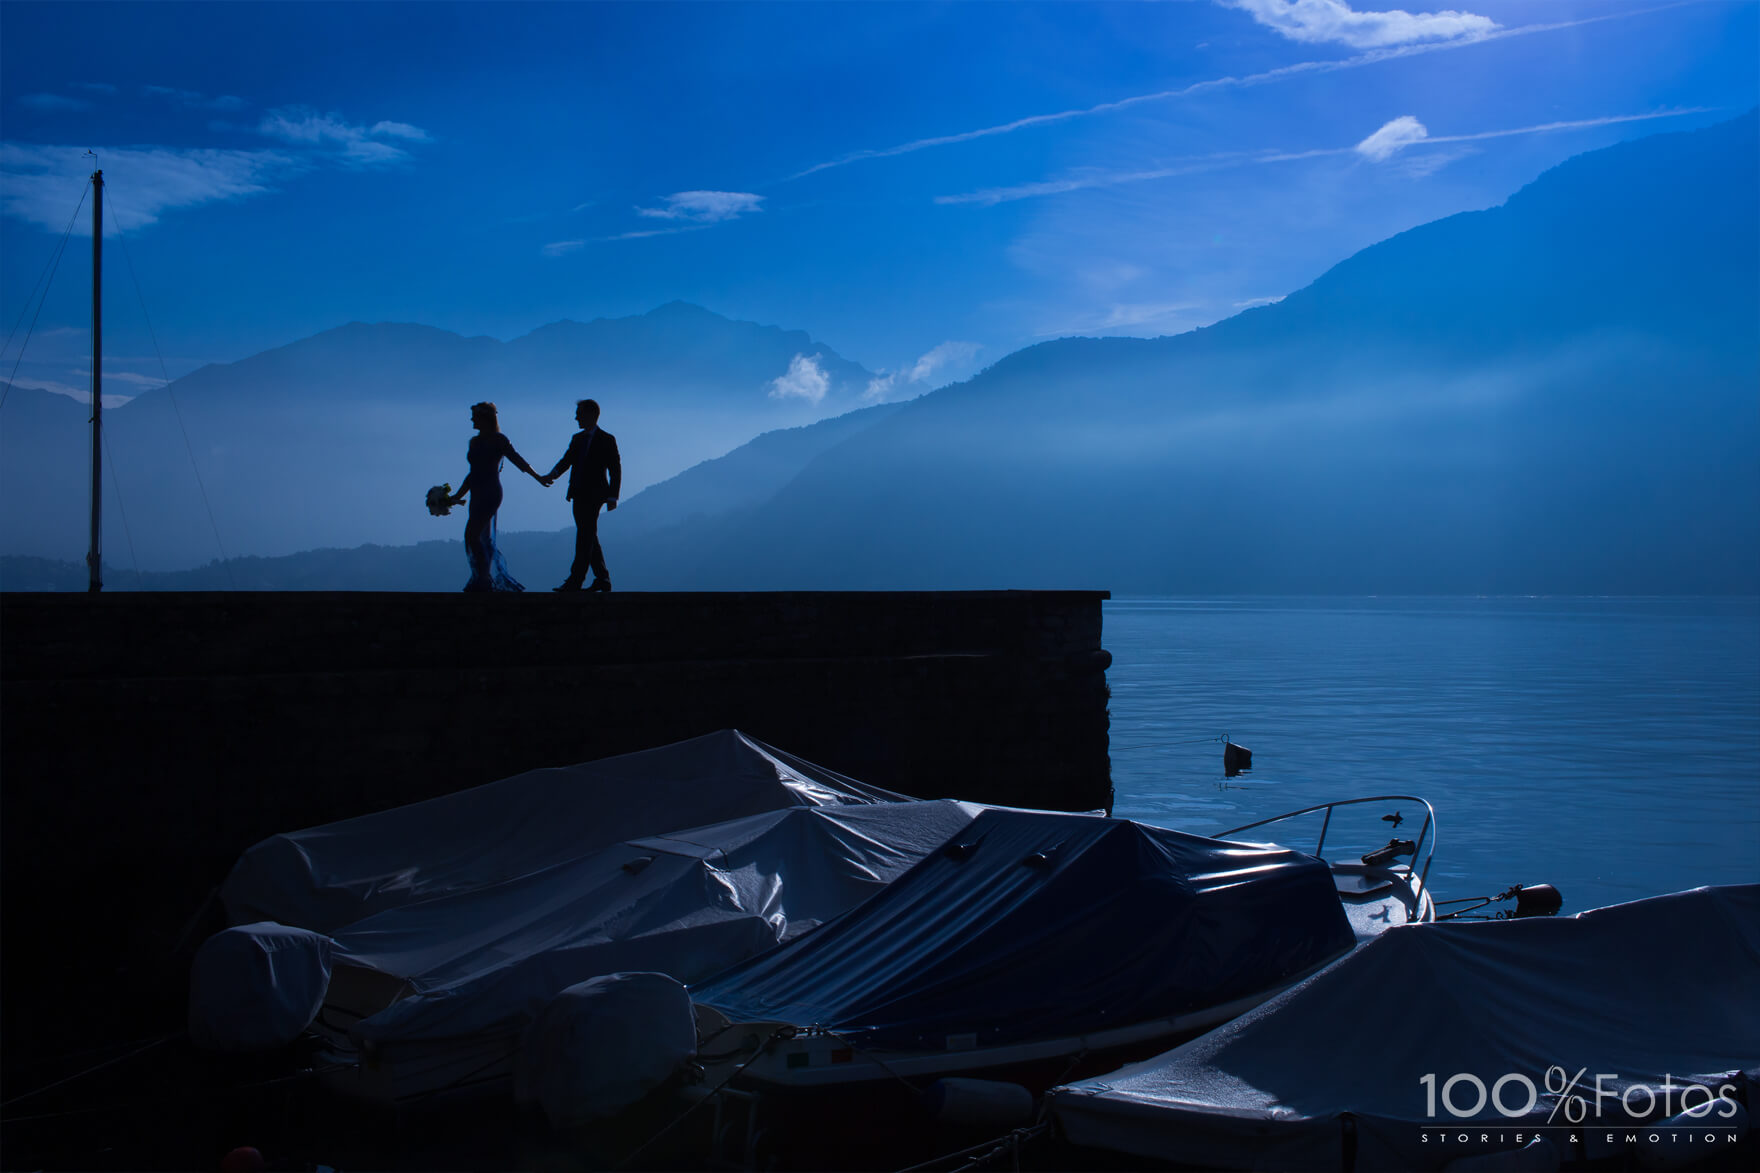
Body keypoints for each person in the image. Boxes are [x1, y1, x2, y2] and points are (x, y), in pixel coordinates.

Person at [450, 401, 544, 592]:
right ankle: (481, 577)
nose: (471, 420)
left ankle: (483, 578)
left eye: (474, 416)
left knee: (473, 535)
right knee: (476, 537)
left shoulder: (499, 440)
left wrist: (538, 477)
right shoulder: (474, 442)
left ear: (484, 418)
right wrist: (456, 496)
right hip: (476, 492)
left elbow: (517, 459)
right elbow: (471, 474)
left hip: (490, 492)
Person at [541, 398, 621, 592]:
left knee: (584, 536)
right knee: (589, 536)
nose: (576, 417)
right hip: (578, 493)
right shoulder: (577, 439)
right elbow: (566, 460)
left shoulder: (606, 439)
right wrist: (552, 475)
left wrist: (613, 496)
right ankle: (603, 578)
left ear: (592, 414)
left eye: (580, 413)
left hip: (595, 495)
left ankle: (575, 580)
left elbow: (615, 469)